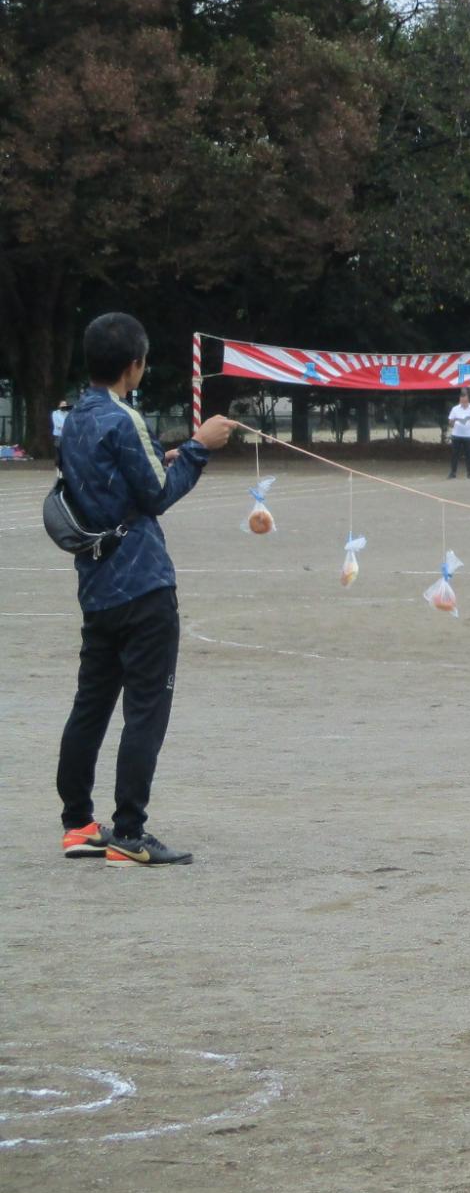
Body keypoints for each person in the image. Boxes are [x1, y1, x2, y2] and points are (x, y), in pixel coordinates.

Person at [54, 312, 241, 866]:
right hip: (142, 586)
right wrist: (201, 447)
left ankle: (78, 824)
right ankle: (129, 832)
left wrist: (169, 454)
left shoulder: (75, 419)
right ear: (133, 366)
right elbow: (156, 496)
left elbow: (118, 480)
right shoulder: (122, 415)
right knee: (145, 710)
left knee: (90, 706)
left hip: (97, 586)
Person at [446, 387, 470, 480]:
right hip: (456, 435)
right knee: (454, 454)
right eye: (461, 399)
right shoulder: (455, 409)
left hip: (468, 435)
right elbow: (450, 423)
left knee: (469, 454)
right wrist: (453, 421)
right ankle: (453, 473)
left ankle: (469, 473)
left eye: (464, 399)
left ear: (468, 399)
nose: (463, 401)